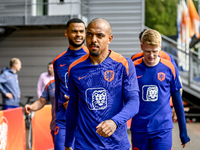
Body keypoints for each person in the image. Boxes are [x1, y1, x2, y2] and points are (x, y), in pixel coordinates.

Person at [64, 18, 140, 150]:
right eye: (90, 35)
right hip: (84, 145)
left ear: (109, 39)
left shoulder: (124, 64)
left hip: (117, 145)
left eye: (100, 35)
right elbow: (73, 107)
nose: (93, 40)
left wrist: (114, 122)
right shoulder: (75, 68)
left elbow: (134, 102)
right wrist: (68, 142)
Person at [131, 29, 191, 150]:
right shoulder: (133, 66)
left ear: (160, 47)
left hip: (162, 128)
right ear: (141, 46)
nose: (151, 55)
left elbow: (178, 100)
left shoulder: (169, 66)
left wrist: (183, 132)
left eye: (155, 51)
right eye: (147, 51)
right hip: (139, 128)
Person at [53, 18, 89, 150]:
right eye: (74, 31)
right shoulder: (58, 61)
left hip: (85, 120)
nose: (78, 35)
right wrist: (55, 117)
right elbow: (58, 92)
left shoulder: (92, 57)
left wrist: (76, 101)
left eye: (81, 31)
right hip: (64, 121)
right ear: (66, 33)